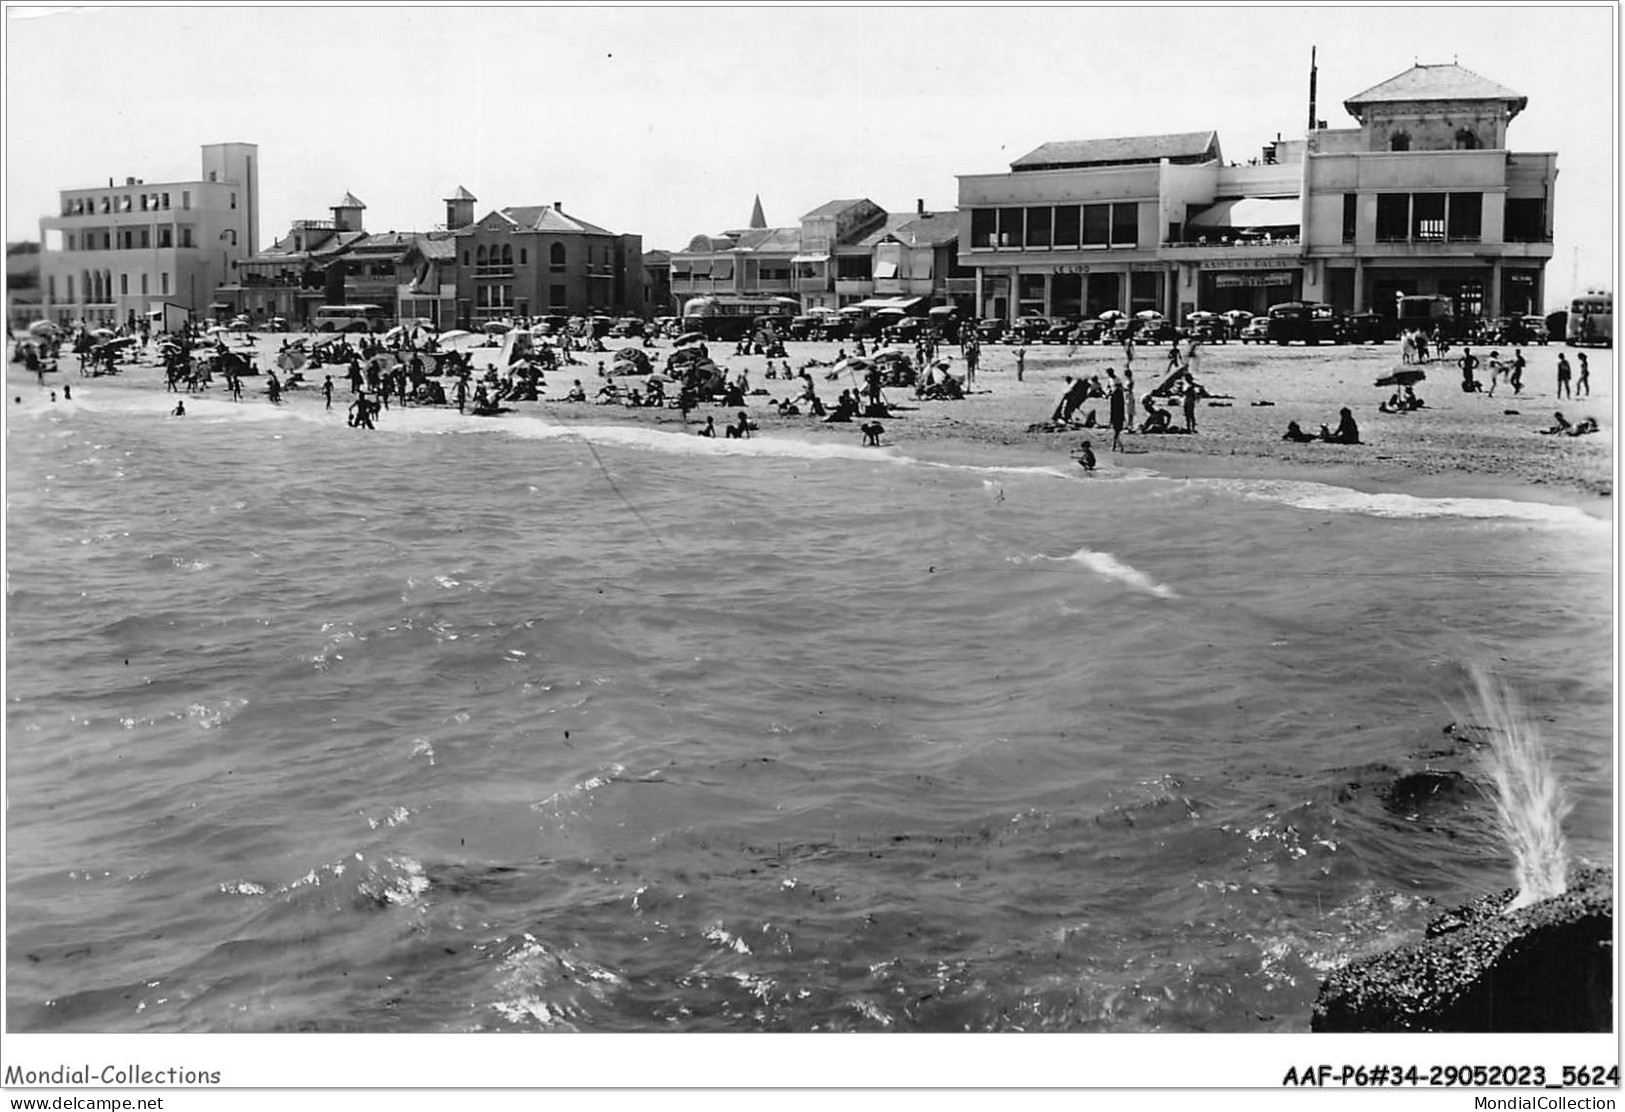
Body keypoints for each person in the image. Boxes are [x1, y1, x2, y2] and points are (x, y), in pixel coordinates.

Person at [1108, 378, 1127, 451]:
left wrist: (1111, 419)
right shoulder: (1120, 396)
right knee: (1116, 432)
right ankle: (1115, 446)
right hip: (1119, 416)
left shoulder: (1114, 397)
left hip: (1116, 416)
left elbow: (1112, 409)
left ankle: (1117, 446)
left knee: (1116, 432)